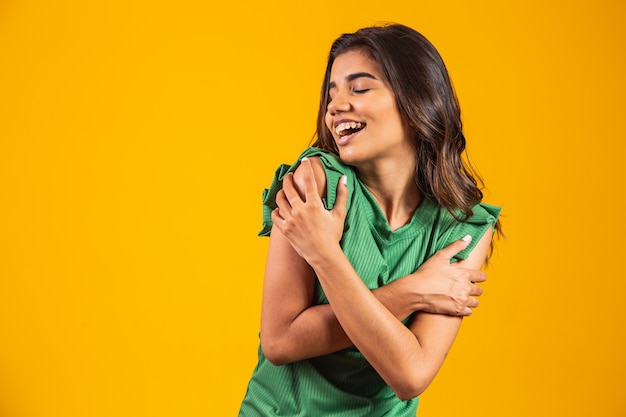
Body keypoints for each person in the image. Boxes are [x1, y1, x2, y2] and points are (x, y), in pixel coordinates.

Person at [238, 23, 502, 416]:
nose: (335, 106)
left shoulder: (464, 228)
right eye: (332, 93)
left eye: (359, 89)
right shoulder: (316, 181)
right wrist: (413, 290)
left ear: (417, 101)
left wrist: (325, 253)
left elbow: (411, 373)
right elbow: (281, 340)